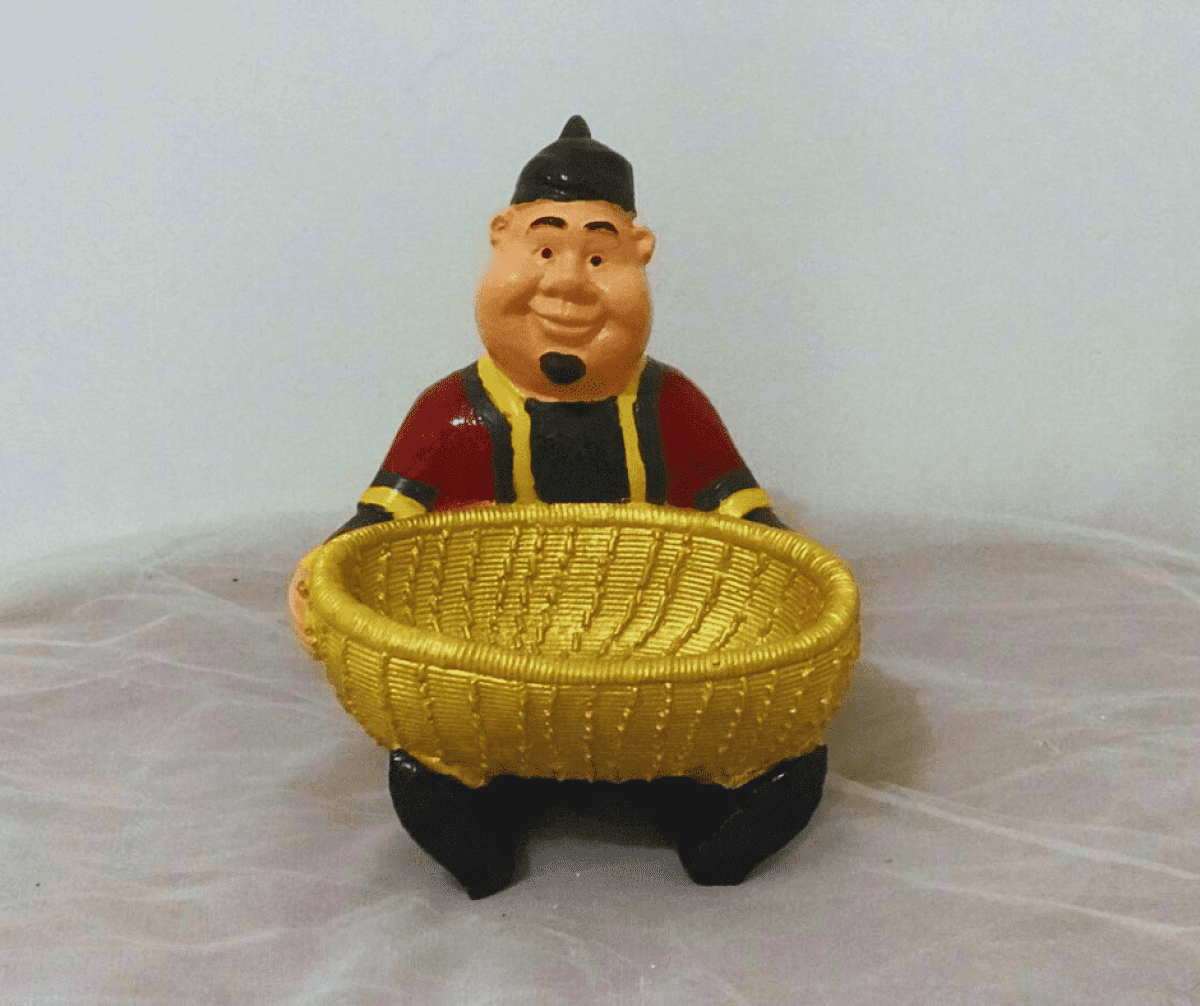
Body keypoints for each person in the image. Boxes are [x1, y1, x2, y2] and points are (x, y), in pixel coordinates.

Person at [289, 117, 826, 898]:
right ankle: (483, 819)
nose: (569, 283)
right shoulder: (454, 415)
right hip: (487, 694)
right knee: (433, 764)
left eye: (599, 257)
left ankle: (702, 819)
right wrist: (322, 567)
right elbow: (379, 526)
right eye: (544, 251)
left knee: (785, 754)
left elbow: (745, 521)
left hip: (659, 685)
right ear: (500, 240)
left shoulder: (671, 407)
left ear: (640, 254)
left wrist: (798, 573)